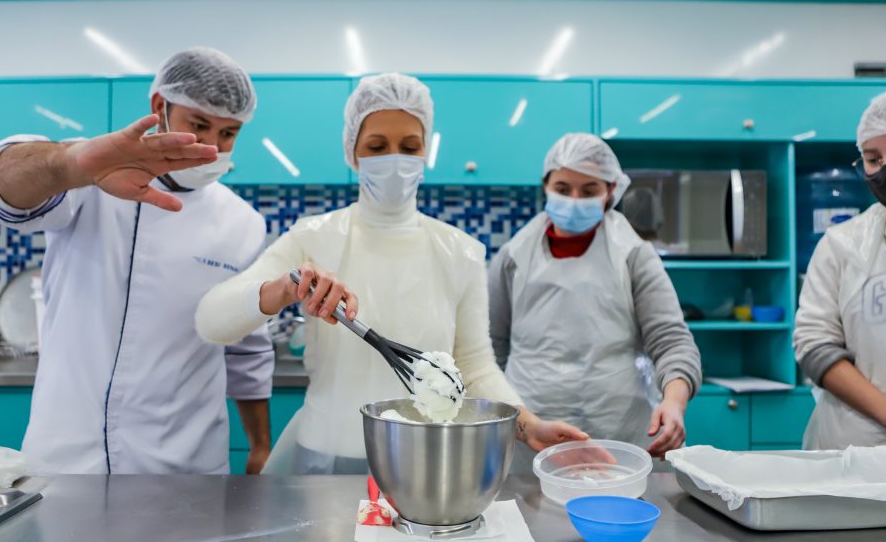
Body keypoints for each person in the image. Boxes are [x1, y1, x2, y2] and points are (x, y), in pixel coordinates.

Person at [195, 73, 590, 474]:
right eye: (377, 146)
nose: (394, 159)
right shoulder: (312, 238)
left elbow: (473, 365)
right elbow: (212, 320)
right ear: (353, 153)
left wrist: (528, 425)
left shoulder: (461, 251)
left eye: (409, 146)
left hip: (426, 466)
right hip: (326, 464)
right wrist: (281, 289)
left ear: (425, 154)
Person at [0, 47, 274, 474]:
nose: (211, 147)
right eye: (199, 125)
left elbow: (247, 346)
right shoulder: (87, 180)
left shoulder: (243, 224)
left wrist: (260, 445)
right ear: (159, 107)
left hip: (186, 464)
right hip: (69, 460)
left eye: (229, 134)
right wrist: (70, 163)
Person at [488, 133, 702, 461]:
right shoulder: (513, 256)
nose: (574, 199)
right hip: (529, 437)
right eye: (562, 189)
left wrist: (673, 402)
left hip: (617, 432)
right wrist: (512, 420)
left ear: (610, 191)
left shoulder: (633, 254)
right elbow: (489, 349)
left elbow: (671, 341)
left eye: (589, 190)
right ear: (545, 186)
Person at [794, 76, 886, 456]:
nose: (885, 170)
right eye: (872, 158)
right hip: (856, 454)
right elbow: (815, 345)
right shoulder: (842, 245)